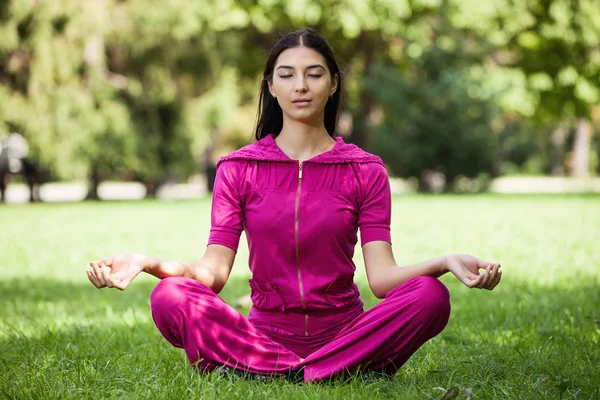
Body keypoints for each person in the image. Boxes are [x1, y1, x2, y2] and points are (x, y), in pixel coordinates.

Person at [86, 28, 502, 382]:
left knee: (430, 296)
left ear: (333, 83)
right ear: (271, 86)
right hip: (262, 334)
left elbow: (383, 279)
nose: (300, 86)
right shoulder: (238, 168)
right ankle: (312, 368)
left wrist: (444, 262)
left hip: (345, 332)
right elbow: (210, 274)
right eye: (286, 75)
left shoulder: (365, 171)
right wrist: (147, 262)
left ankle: (280, 369)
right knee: (169, 295)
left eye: (313, 74)